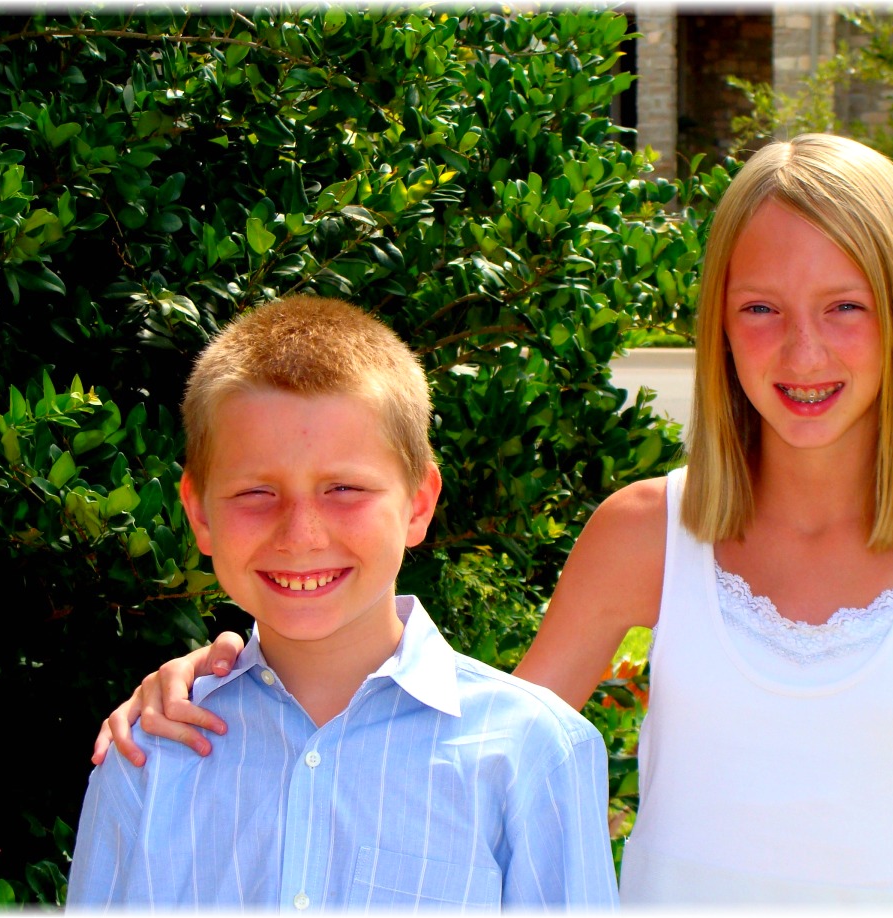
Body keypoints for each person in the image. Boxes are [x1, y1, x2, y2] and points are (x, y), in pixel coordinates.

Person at [94, 135, 893, 907]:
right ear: (718, 323)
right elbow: (467, 749)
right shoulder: (648, 532)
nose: (803, 352)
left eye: (846, 307)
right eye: (761, 307)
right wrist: (239, 674)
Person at [67, 295, 619, 910]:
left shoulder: (533, 751)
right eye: (255, 492)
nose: (301, 535)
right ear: (199, 515)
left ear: (418, 504)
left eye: (344, 489)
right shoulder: (146, 755)